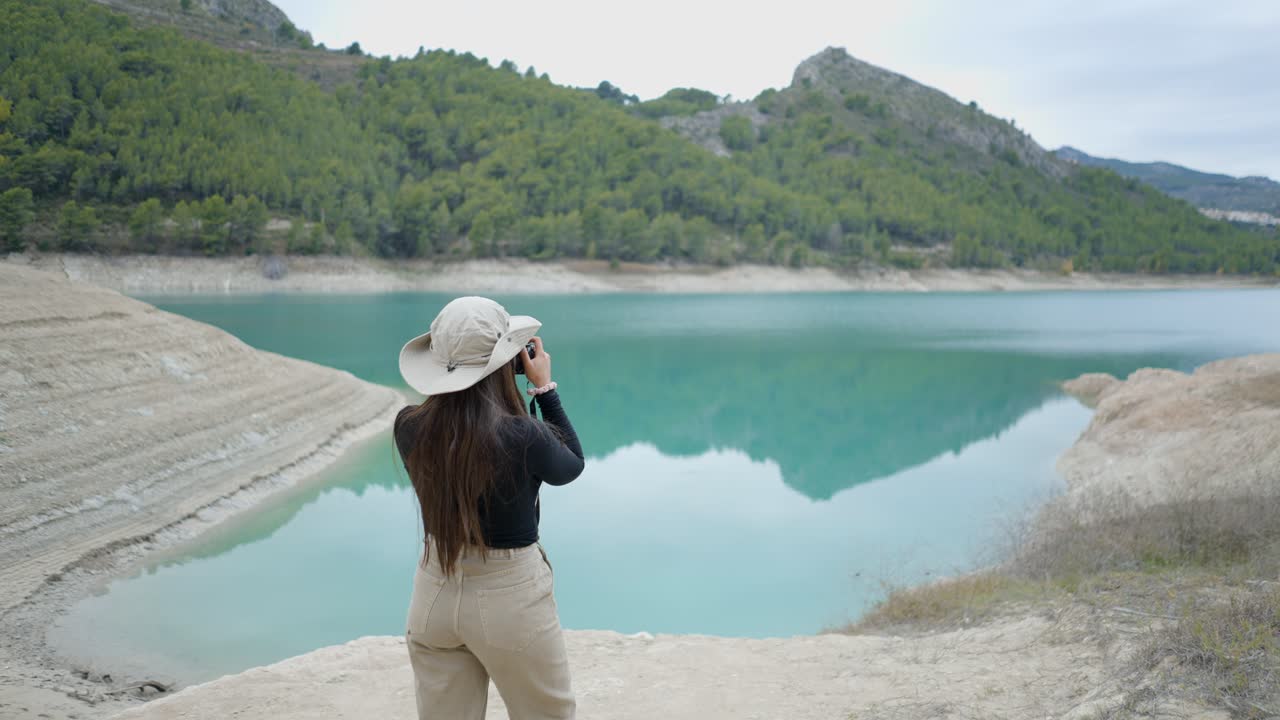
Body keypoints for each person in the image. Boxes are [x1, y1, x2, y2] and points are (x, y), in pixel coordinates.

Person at [393, 296, 584, 720]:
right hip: (509, 598)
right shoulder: (525, 436)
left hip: (433, 592)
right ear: (505, 364)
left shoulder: (408, 426)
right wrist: (544, 390)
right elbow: (571, 464)